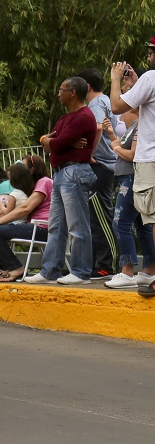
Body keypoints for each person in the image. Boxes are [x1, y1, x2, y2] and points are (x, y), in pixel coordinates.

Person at [25, 77, 99, 284]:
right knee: (56, 225)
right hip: (61, 173)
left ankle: (81, 271)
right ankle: (50, 270)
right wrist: (45, 140)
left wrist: (53, 142)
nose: (58, 94)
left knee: (77, 225)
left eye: (62, 90)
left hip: (74, 172)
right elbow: (50, 143)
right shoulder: (66, 118)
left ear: (73, 93)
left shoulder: (83, 117)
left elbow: (57, 144)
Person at [110, 34, 155, 295]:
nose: (148, 57)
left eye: (151, 52)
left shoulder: (151, 77)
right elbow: (145, 110)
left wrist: (116, 79)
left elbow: (117, 106)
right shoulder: (147, 81)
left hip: (150, 160)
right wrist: (136, 85)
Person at [101, 108, 155, 288]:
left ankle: (127, 271)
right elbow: (120, 145)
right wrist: (111, 135)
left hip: (132, 178)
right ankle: (149, 270)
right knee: (142, 225)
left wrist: (115, 147)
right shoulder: (134, 125)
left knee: (120, 223)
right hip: (128, 178)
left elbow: (131, 155)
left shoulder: (141, 125)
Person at [0, 156, 53, 281]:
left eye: (23, 166)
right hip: (34, 227)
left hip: (42, 228)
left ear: (32, 169)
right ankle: (4, 267)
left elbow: (25, 208)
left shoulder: (45, 181)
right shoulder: (35, 185)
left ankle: (14, 267)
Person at [77, 68, 119, 278]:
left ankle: (105, 265)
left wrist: (88, 154)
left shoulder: (96, 104)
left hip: (101, 165)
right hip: (107, 164)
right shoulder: (106, 101)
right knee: (96, 215)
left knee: (100, 216)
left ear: (87, 87)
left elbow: (98, 127)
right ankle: (98, 263)